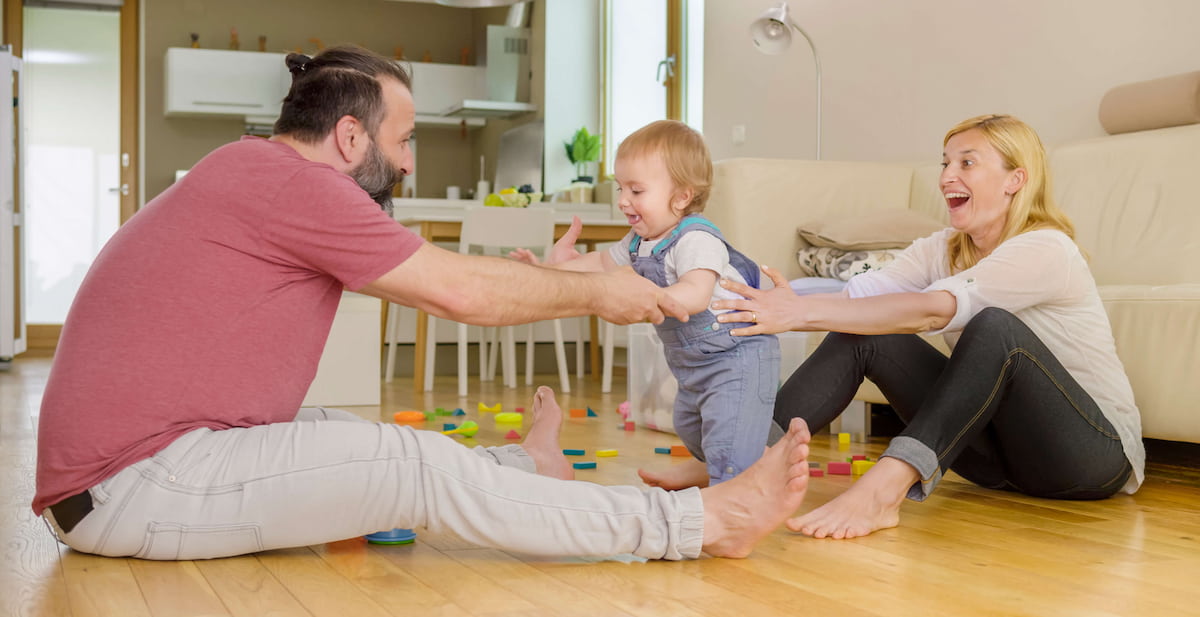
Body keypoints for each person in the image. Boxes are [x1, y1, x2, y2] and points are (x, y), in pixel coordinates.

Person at [32, 45, 813, 561]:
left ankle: (525, 465)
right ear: (348, 138)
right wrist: (600, 290)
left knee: (356, 437)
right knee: (407, 462)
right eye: (404, 141)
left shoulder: (252, 172)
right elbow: (461, 290)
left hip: (138, 469)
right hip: (135, 484)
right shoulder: (294, 184)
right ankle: (701, 524)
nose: (408, 164)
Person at [713, 114, 1144, 539]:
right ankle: (738, 463)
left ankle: (885, 490)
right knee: (864, 334)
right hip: (995, 464)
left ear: (1015, 179)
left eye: (967, 163)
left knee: (995, 327)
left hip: (1090, 459)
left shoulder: (1046, 249)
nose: (947, 176)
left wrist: (799, 315)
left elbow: (934, 311)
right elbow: (859, 301)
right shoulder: (941, 248)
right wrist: (777, 305)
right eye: (945, 163)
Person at [513, 120, 780, 489]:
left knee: (727, 442)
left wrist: (653, 297)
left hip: (736, 355)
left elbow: (697, 292)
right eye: (621, 188)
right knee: (690, 427)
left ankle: (731, 500)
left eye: (636, 190)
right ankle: (771, 452)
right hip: (693, 366)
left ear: (682, 196)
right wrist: (551, 266)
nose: (623, 200)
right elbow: (601, 264)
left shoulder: (697, 239)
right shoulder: (639, 242)